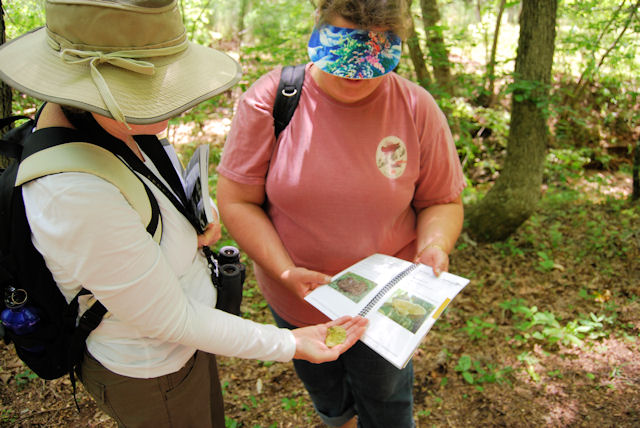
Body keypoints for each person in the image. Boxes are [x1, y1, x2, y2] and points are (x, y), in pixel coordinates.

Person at [0, 1, 368, 427]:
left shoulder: (111, 121)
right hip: (150, 367)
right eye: (148, 91)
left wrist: (197, 217)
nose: (169, 106)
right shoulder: (73, 194)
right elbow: (171, 319)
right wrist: (289, 343)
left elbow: (153, 189)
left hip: (186, 346)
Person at [216, 0, 466, 427]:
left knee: (386, 396)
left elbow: (441, 200)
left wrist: (434, 246)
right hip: (298, 300)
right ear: (318, 31)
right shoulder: (274, 100)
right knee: (327, 391)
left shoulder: (415, 107)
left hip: (385, 309)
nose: (353, 76)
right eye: (342, 57)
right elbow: (237, 200)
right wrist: (285, 272)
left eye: (370, 64)